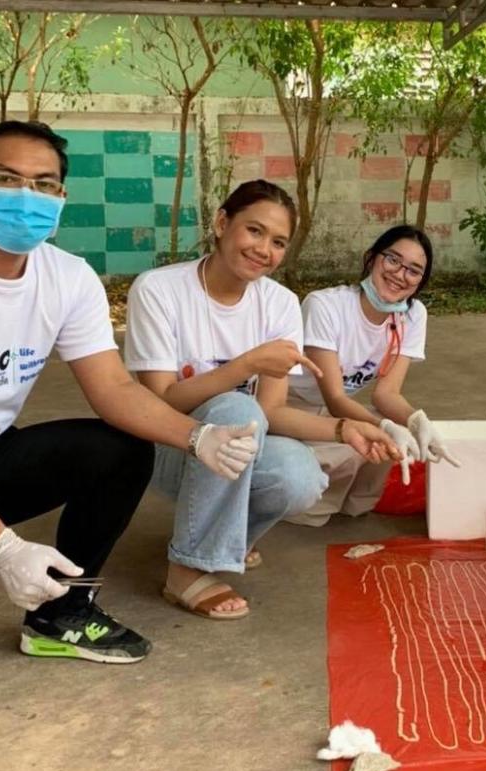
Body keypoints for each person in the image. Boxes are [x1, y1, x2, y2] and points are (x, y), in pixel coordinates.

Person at [0, 121, 255, 697]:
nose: (27, 196)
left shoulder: (68, 279)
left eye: (45, 184)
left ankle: (62, 614)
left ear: (61, 199)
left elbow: (116, 391)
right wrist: (3, 547)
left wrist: (197, 436)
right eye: (5, 178)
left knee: (118, 449)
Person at [125, 180, 399, 619]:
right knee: (238, 408)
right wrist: (245, 365)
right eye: (253, 231)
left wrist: (346, 429)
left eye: (277, 242)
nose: (263, 250)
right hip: (164, 444)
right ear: (221, 223)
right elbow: (157, 402)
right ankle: (186, 570)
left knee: (301, 474)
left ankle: (229, 540)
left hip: (237, 443)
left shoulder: (281, 303)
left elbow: (272, 413)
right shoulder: (159, 290)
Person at [285, 224, 460, 527]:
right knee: (356, 446)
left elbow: (386, 394)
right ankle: (299, 504)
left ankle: (353, 506)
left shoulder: (412, 314)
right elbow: (337, 399)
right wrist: (385, 426)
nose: (400, 274)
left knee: (387, 441)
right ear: (371, 258)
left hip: (326, 408)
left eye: (414, 270)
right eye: (393, 260)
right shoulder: (325, 305)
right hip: (287, 404)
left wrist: (417, 420)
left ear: (421, 281)